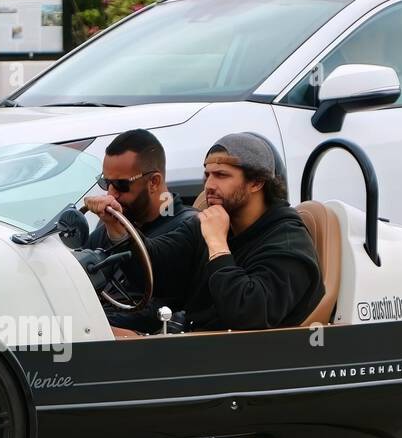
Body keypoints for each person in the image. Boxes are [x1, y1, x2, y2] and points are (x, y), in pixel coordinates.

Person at [103, 133, 323, 333]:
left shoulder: (288, 241)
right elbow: (154, 267)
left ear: (256, 182)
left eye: (221, 175)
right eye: (207, 175)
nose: (209, 185)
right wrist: (118, 227)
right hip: (199, 351)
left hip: (250, 363)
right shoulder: (207, 224)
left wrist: (217, 245)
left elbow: (248, 314)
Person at [81, 129, 196, 330]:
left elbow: (158, 299)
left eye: (120, 185)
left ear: (154, 182)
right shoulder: (113, 222)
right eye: (106, 183)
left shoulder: (189, 227)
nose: (111, 193)